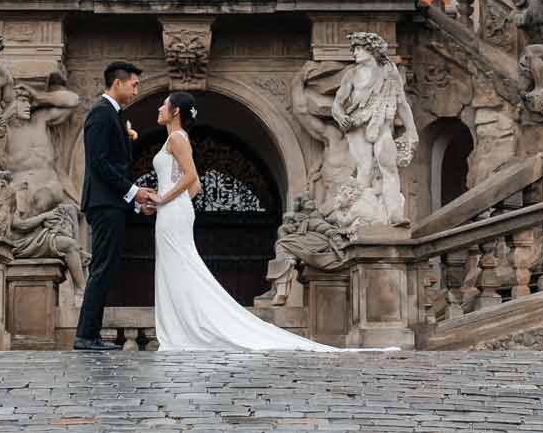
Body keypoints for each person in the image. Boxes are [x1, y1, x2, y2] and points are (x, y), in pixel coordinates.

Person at [148, 91, 373, 353]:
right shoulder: (174, 139)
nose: (159, 109)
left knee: (181, 265)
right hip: (172, 211)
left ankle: (185, 328)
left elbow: (192, 177)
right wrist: (169, 201)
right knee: (176, 266)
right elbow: (194, 185)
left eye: (164, 106)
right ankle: (182, 326)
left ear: (175, 112)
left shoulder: (177, 137)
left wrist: (165, 199)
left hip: (172, 212)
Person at [74, 61, 155, 350]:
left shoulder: (115, 115)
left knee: (105, 268)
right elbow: (99, 163)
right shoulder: (100, 113)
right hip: (102, 203)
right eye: (133, 84)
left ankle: (90, 335)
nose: (136, 90)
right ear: (117, 83)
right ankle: (86, 336)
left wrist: (134, 203)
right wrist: (134, 192)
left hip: (111, 202)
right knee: (102, 268)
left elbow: (114, 168)